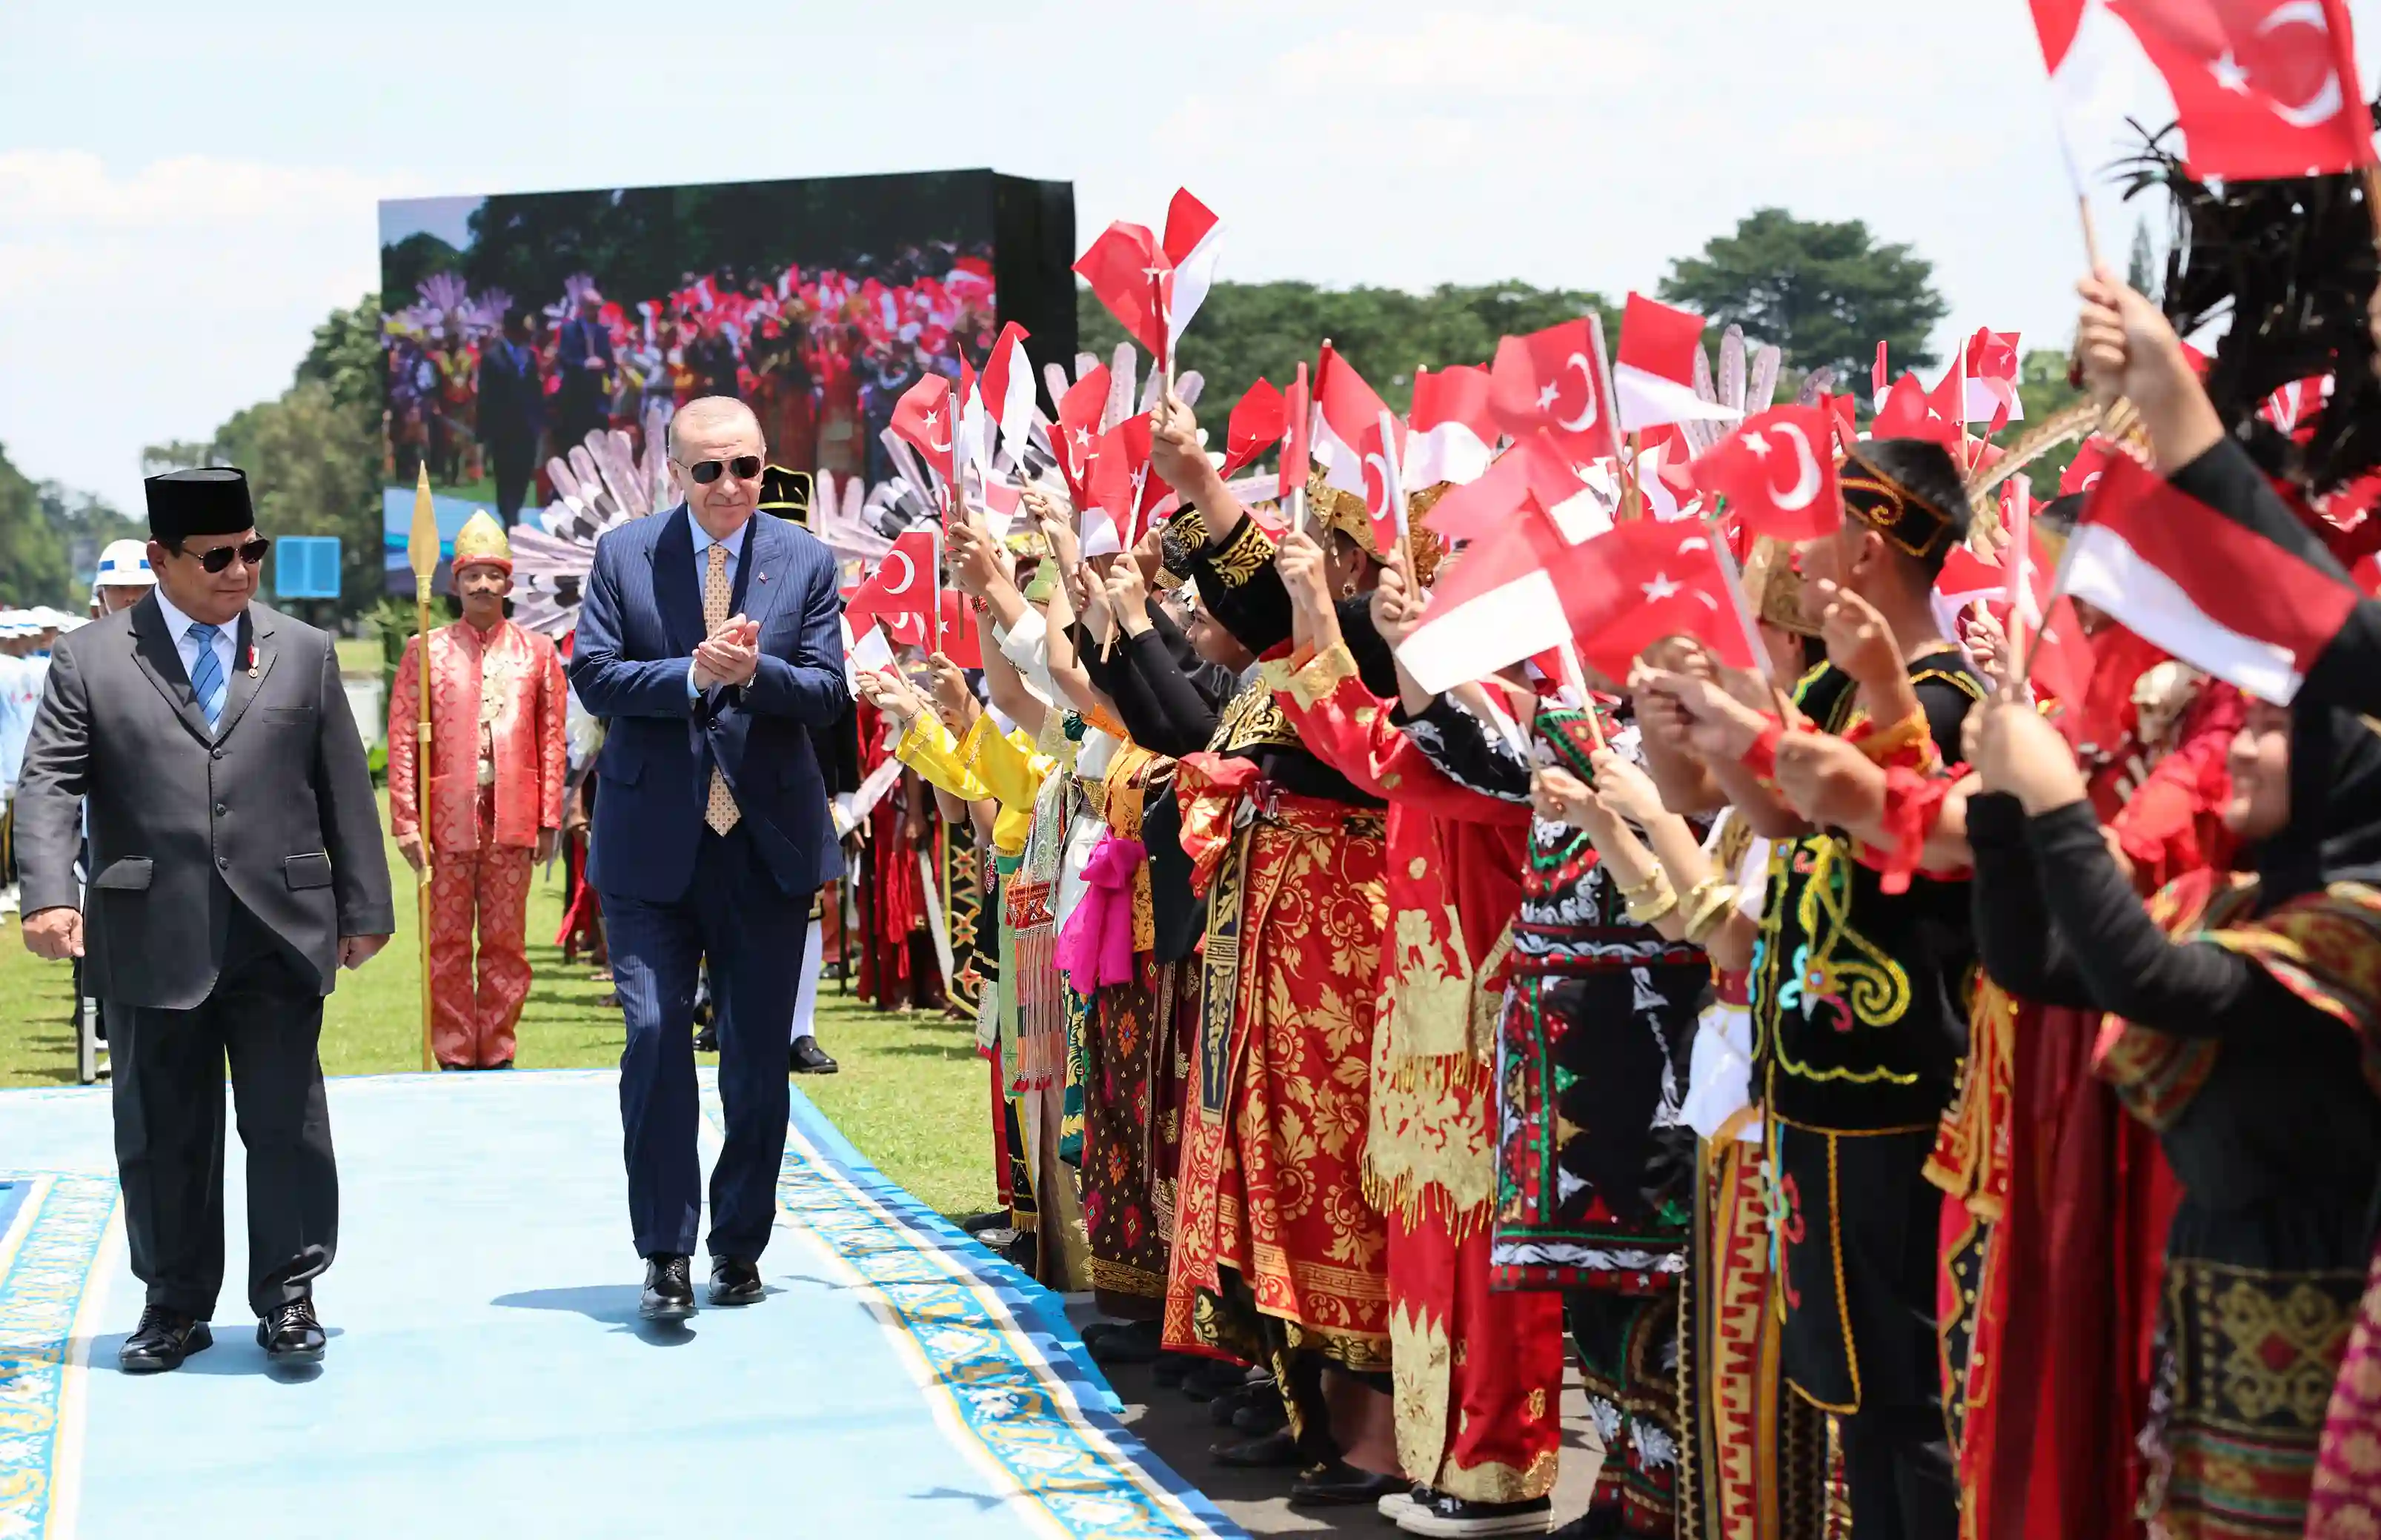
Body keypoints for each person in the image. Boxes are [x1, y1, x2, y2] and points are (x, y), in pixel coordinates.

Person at [14, 467, 393, 1372]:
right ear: (160, 561)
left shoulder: (303, 649)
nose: (239, 570)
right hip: (152, 930)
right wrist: (49, 891)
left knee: (287, 1123)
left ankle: (290, 1295)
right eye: (217, 555)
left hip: (281, 925)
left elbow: (342, 782)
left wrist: (365, 904)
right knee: (162, 1126)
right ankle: (174, 1304)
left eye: (251, 551)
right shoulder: (91, 658)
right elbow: (50, 783)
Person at [568, 396, 849, 1321]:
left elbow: (825, 691)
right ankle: (664, 1251)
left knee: (757, 1061)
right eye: (710, 470)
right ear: (672, 473)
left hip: (762, 845)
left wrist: (752, 674)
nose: (731, 487)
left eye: (749, 468)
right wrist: (691, 673)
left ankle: (738, 1243)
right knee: (653, 1038)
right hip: (652, 847)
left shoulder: (803, 559)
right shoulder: (625, 554)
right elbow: (597, 674)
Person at [387, 511, 568, 1071]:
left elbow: (553, 737)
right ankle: (455, 1052)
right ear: (454, 583)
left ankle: (498, 1050)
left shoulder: (538, 653)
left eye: (494, 575)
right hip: (446, 819)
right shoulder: (426, 650)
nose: (484, 586)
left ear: (509, 583)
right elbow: (402, 742)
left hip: (513, 815)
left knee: (506, 944)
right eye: (472, 576)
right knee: (445, 943)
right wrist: (406, 820)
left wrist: (549, 819)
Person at [477, 311, 546, 525]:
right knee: (505, 477)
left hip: (527, 429)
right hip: (503, 431)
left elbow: (535, 391)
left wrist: (540, 421)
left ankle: (514, 510)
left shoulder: (530, 356)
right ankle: (510, 518)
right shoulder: (492, 357)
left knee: (523, 475)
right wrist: (483, 432)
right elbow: (485, 396)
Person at [554, 289, 615, 451]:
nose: (596, 312)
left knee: (598, 440)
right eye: (592, 307)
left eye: (598, 307)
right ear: (583, 307)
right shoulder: (569, 330)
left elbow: (609, 359)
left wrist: (613, 377)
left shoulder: (603, 331)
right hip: (575, 393)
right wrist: (585, 364)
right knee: (575, 440)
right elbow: (564, 358)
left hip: (597, 395)